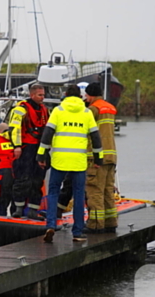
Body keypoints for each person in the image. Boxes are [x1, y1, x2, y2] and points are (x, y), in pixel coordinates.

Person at [37, 84, 102, 243]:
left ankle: (51, 225)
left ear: (65, 95)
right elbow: (96, 138)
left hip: (60, 160)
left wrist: (41, 155)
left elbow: (47, 135)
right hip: (78, 162)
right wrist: (98, 158)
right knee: (79, 195)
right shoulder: (87, 113)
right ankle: (78, 232)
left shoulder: (58, 111)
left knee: (53, 192)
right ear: (80, 96)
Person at [7, 83, 49, 220]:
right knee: (22, 179)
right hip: (26, 148)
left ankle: (33, 210)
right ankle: (18, 209)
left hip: (40, 148)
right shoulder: (21, 109)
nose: (43, 97)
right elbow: (14, 128)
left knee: (37, 180)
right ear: (32, 95)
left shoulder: (44, 110)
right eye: (40, 95)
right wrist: (17, 146)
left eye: (43, 95)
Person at [83, 82, 118, 233]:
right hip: (111, 155)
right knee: (108, 191)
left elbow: (87, 132)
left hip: (96, 157)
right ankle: (110, 222)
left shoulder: (92, 110)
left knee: (94, 191)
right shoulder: (109, 108)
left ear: (89, 95)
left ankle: (96, 224)